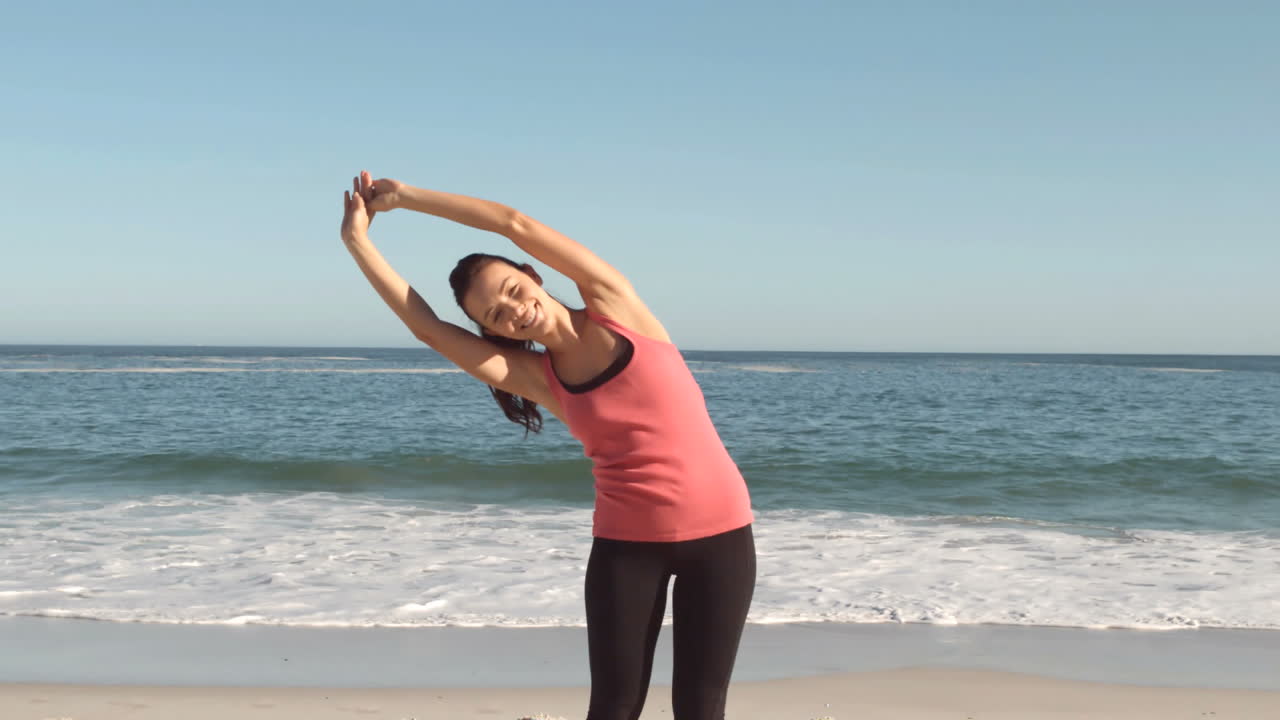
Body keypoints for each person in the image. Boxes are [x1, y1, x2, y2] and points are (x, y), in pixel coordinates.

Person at [339, 171, 756, 720]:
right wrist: (358, 243)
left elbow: (514, 223)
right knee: (612, 707)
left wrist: (408, 199)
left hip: (721, 537)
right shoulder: (538, 378)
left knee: (701, 707)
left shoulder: (615, 303)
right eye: (496, 316)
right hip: (626, 549)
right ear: (497, 332)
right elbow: (431, 330)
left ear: (532, 274)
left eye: (512, 290)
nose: (513, 309)